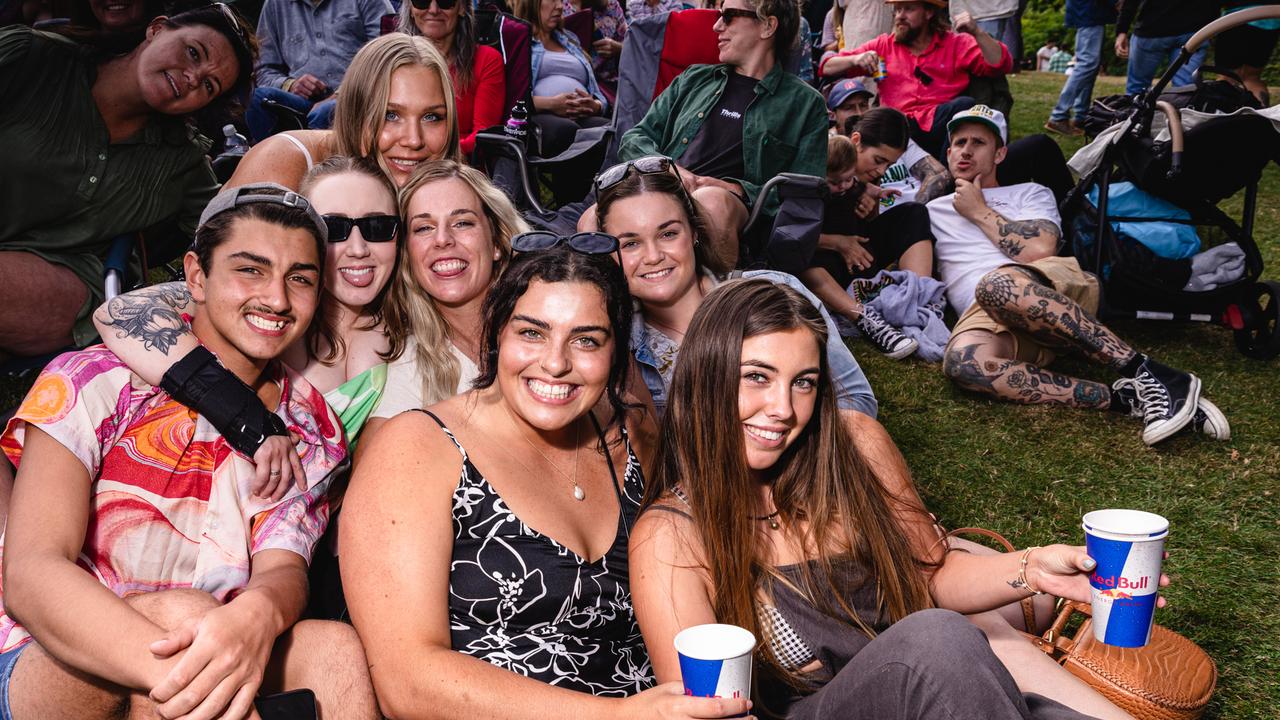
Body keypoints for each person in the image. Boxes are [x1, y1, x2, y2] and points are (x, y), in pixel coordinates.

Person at [628, 277, 1158, 719]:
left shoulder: (855, 445)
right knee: (936, 641)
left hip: (937, 694)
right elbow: (700, 710)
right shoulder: (670, 536)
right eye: (756, 378)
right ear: (705, 379)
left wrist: (1034, 570)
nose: (783, 409)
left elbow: (934, 578)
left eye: (804, 382)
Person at [0, 185, 380, 720]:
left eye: (300, 279)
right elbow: (31, 575)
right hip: (43, 657)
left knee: (334, 652)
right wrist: (190, 675)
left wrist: (258, 614)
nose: (276, 298)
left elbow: (283, 566)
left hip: (210, 640)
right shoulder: (96, 380)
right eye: (250, 270)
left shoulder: (309, 424)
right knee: (185, 618)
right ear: (196, 277)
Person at [341, 243, 751, 720]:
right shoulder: (417, 447)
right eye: (532, 333)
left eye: (587, 340)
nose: (555, 363)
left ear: (616, 353)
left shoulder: (631, 435)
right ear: (496, 333)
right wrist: (617, 718)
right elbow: (406, 683)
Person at [930, 106, 1230, 445]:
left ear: (1000, 153)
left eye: (978, 142)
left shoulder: (1029, 192)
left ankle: (1148, 372)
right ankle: (1130, 399)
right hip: (985, 317)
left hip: (1046, 291)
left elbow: (1041, 248)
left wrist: (979, 210)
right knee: (962, 364)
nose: (965, 150)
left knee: (997, 285)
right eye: (958, 143)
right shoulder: (930, 210)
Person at [92, 156, 404, 466]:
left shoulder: (415, 323)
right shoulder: (264, 306)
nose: (358, 248)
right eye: (334, 228)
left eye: (378, 227)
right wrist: (239, 413)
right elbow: (119, 311)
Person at [0, 4, 254, 358]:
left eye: (209, 86)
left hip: (56, 275)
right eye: (193, 52)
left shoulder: (182, 160)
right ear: (157, 29)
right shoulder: (32, 58)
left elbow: (234, 233)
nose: (193, 77)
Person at [593, 156, 878, 418]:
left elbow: (856, 403)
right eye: (630, 243)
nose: (653, 256)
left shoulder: (775, 293)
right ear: (609, 254)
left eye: (668, 233)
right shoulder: (612, 339)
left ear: (694, 232)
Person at [611, 0, 827, 266]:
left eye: (728, 16)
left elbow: (804, 191)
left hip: (732, 212)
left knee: (711, 201)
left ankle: (720, 305)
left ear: (768, 26)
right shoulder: (693, 79)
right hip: (661, 188)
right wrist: (668, 168)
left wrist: (738, 189)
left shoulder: (804, 104)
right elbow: (634, 138)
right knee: (591, 218)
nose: (716, 26)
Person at [363, 159, 530, 439]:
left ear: (498, 243)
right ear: (408, 255)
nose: (442, 239)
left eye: (462, 222)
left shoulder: (551, 318)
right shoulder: (414, 356)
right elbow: (376, 462)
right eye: (423, 228)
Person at [227, 32, 461, 192]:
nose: (414, 140)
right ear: (354, 113)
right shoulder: (284, 165)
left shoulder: (445, 195)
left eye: (432, 117)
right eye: (389, 115)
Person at [802, 116, 936, 360]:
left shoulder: (865, 179)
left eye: (889, 164)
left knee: (914, 213)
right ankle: (864, 319)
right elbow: (789, 232)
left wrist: (871, 202)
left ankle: (919, 300)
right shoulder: (822, 164)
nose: (881, 170)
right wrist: (839, 243)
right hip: (824, 262)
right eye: (879, 160)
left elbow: (866, 224)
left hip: (858, 256)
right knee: (805, 257)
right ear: (857, 142)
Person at [819, 0, 1013, 159]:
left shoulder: (955, 43)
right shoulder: (884, 46)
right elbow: (826, 67)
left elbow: (1001, 63)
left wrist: (977, 32)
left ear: (928, 12)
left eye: (908, 9)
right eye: (897, 10)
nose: (899, 16)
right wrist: (855, 59)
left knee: (964, 106)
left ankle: (948, 175)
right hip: (897, 128)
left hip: (941, 127)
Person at [247, 0, 384, 141]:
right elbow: (263, 69)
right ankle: (271, 159)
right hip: (302, 101)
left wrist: (340, 94)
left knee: (324, 113)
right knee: (256, 99)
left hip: (359, 94)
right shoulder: (275, 4)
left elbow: (385, 56)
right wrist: (290, 85)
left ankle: (319, 160)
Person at [400, 0, 507, 156]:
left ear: (462, 7)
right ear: (410, 8)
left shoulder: (486, 60)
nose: (434, 10)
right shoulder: (394, 63)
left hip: (460, 166)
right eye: (421, 1)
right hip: (401, 158)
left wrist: (432, 154)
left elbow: (483, 136)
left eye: (446, 1)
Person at [1115, 0, 1219, 97]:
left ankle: (1134, 113)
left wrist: (1122, 30)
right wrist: (1211, 28)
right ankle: (1181, 115)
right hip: (1193, 31)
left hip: (1153, 28)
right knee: (1185, 91)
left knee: (1137, 90)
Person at [1045, 0, 1116, 136]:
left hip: (1088, 13)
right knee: (1087, 64)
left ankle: (1080, 116)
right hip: (1090, 13)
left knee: (1090, 66)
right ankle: (1059, 116)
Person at [1217, 1, 1280, 106]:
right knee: (1252, 77)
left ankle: (1222, 116)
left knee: (1226, 78)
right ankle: (1259, 117)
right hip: (1270, 21)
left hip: (1235, 18)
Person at [564, 0, 628, 94]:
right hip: (571, 83)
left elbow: (631, 46)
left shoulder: (613, 7)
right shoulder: (559, 8)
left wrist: (617, 48)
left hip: (609, 86)